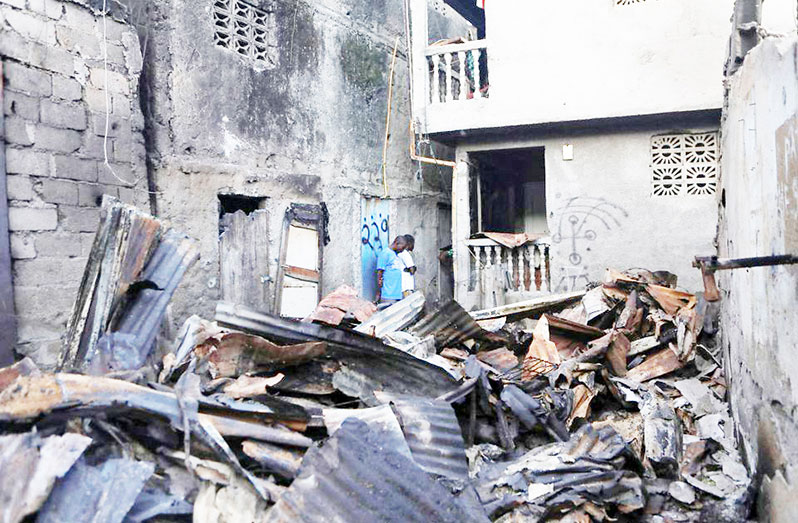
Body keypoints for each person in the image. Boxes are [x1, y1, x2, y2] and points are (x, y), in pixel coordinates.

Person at [375, 236, 406, 306]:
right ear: (397, 243)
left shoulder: (394, 254)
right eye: (402, 247)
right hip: (388, 294)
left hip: (397, 293)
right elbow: (380, 271)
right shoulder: (385, 253)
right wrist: (380, 284)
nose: (402, 250)